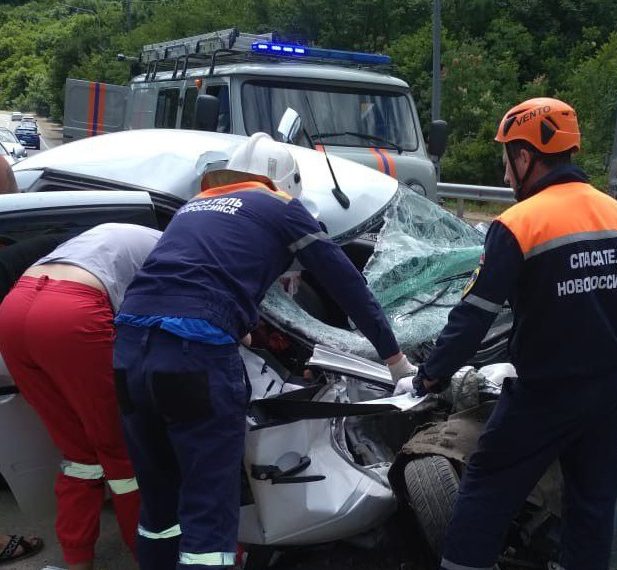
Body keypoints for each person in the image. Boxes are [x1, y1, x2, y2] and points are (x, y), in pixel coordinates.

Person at [113, 133, 415, 570]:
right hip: (193, 360)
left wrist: (240, 328)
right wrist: (396, 361)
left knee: (159, 505)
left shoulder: (192, 208)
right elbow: (347, 284)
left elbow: (193, 280)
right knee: (208, 514)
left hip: (128, 353)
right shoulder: (281, 207)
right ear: (285, 185)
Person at [405, 98, 617, 570]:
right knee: (592, 506)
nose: (504, 176)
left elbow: (474, 315)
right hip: (613, 388)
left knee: (487, 485)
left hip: (548, 394)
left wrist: (430, 375)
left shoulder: (519, 224)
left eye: (506, 161)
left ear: (525, 156)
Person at [0, 223, 162, 570]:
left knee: (80, 455)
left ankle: (76, 561)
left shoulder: (108, 237)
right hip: (72, 312)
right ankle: (149, 556)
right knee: (123, 454)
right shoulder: (180, 255)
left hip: (13, 308)